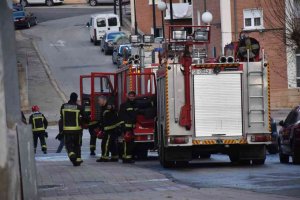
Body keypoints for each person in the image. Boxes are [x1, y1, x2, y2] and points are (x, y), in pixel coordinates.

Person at [60, 92, 86, 166]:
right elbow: (85, 117)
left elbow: (62, 117)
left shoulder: (63, 106)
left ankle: (71, 154)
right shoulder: (79, 107)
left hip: (67, 130)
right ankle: (77, 160)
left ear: (70, 98)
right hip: (77, 130)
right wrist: (83, 122)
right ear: (76, 99)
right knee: (77, 145)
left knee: (68, 144)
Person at [96, 96, 119, 162]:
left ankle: (104, 157)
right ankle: (115, 157)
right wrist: (100, 128)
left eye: (99, 100)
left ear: (104, 100)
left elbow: (113, 108)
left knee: (105, 143)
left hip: (110, 129)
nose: (98, 102)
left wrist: (111, 107)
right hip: (109, 129)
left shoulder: (108, 106)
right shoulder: (103, 107)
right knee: (112, 144)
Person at [119, 91, 138, 163]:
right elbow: (120, 116)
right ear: (128, 96)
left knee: (131, 143)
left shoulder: (135, 105)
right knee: (126, 143)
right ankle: (126, 158)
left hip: (131, 127)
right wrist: (122, 126)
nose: (132, 97)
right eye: (130, 96)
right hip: (126, 127)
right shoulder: (124, 105)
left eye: (133, 96)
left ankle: (128, 157)